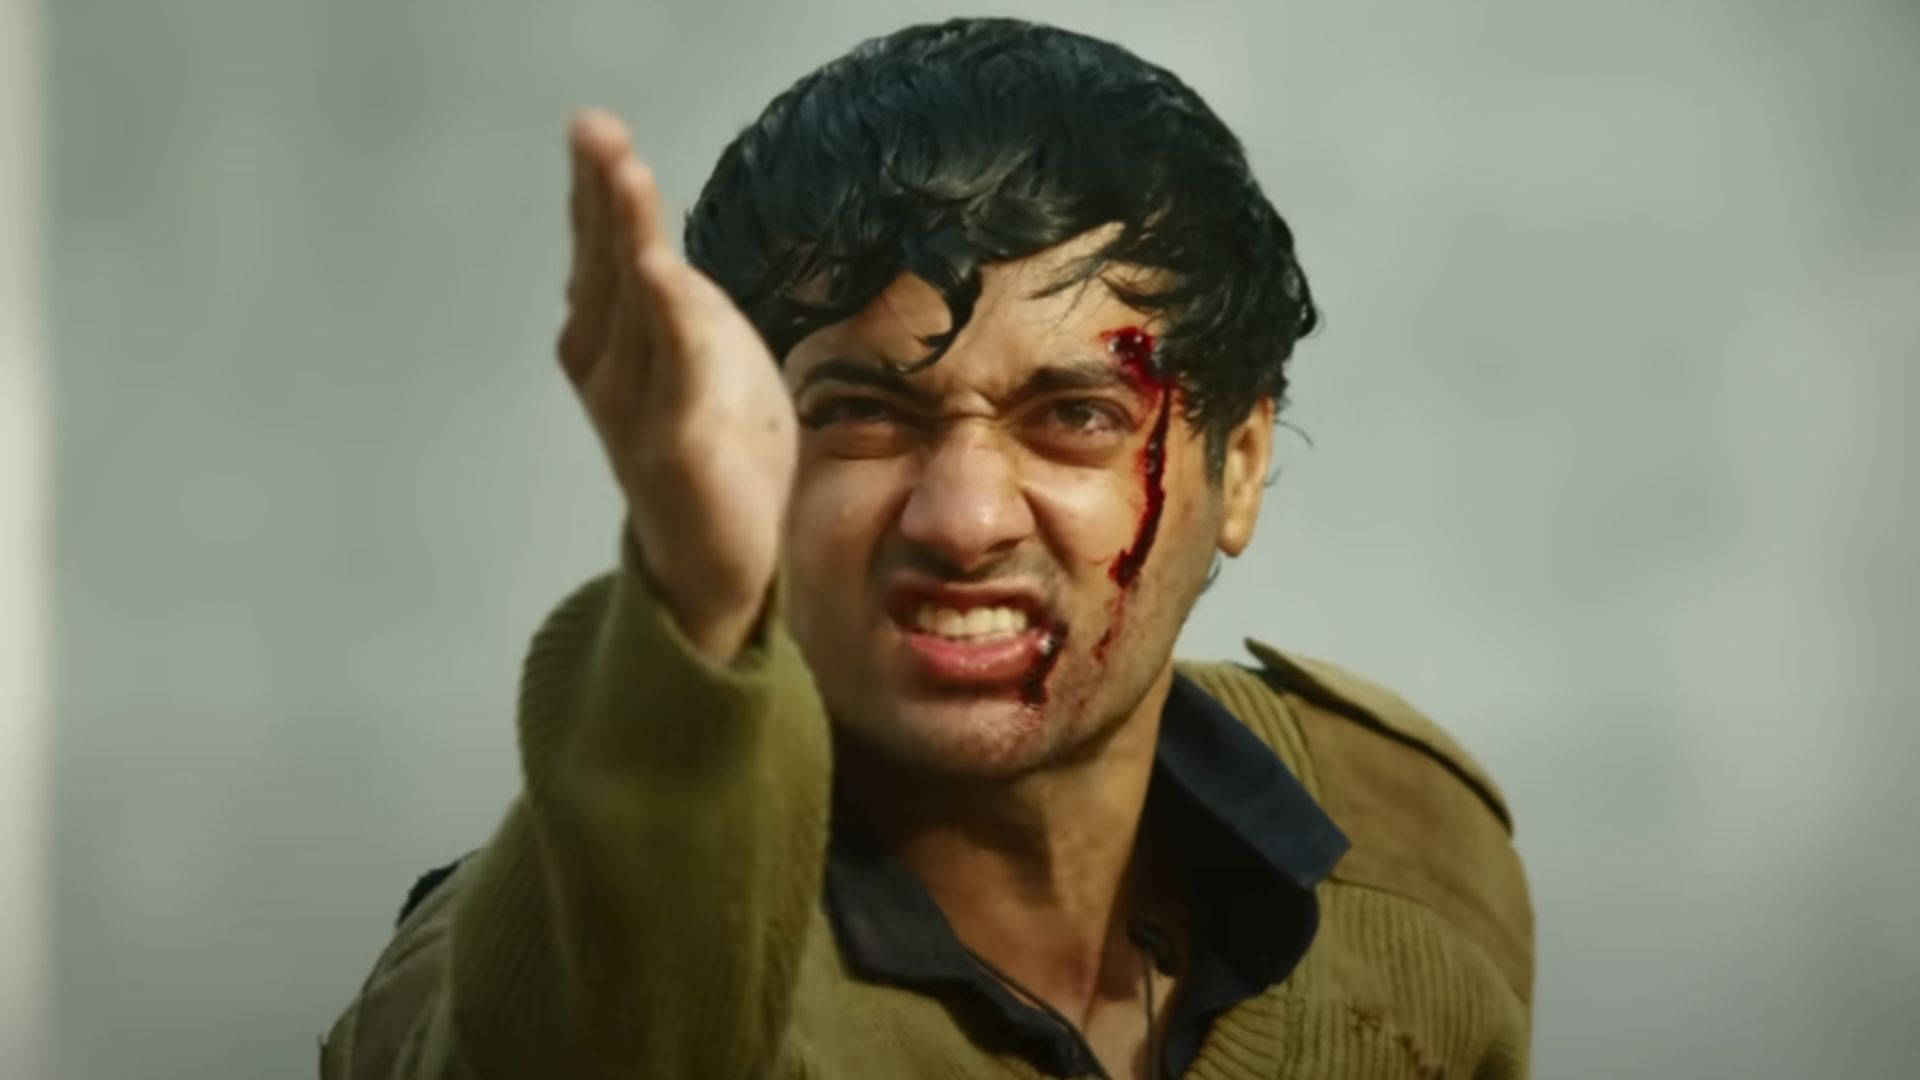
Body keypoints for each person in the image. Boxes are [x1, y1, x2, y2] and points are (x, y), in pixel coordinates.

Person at [320, 17, 1532, 1080]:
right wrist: (693, 596)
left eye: (1076, 417)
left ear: (1243, 466)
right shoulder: (522, 976)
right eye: (862, 414)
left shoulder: (1413, 846)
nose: (962, 518)